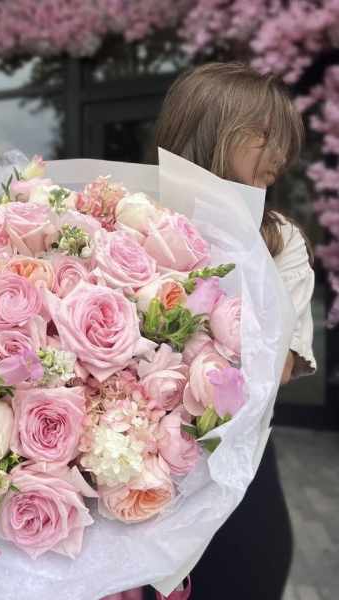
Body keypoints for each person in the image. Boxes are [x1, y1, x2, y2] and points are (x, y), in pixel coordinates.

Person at [105, 62, 317, 600]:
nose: (280, 154)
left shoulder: (279, 240)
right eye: (265, 135)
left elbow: (277, 369)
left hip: (232, 484)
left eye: (285, 140)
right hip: (128, 482)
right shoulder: (127, 216)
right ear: (213, 129)